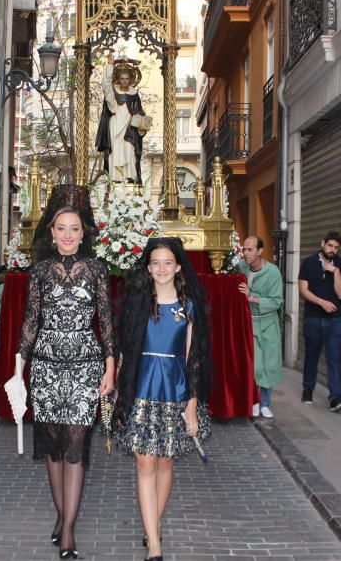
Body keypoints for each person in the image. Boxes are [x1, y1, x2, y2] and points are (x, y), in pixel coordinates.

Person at [15, 185, 115, 560]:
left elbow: (106, 322)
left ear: (83, 231)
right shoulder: (39, 271)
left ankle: (69, 529)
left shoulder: (98, 269)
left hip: (85, 367)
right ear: (52, 232)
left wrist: (110, 366)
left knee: (75, 447)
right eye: (61, 228)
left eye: (74, 228)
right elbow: (30, 321)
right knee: (55, 448)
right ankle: (61, 516)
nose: (68, 236)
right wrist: (17, 367)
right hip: (45, 367)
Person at [114, 237, 213, 561]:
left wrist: (192, 403)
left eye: (167, 262)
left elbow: (193, 356)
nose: (161, 269)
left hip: (175, 390)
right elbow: (125, 349)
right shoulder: (138, 303)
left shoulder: (189, 307)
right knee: (144, 461)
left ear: (179, 267)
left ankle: (152, 525)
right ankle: (154, 543)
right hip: (141, 388)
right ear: (148, 267)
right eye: (155, 262)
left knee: (165, 460)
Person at [298, 231, 341, 412]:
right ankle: (308, 389)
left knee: (334, 358)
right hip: (313, 318)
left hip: (335, 321)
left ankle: (335, 398)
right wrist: (321, 302)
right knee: (311, 355)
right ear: (323, 243)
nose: (332, 250)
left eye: (336, 247)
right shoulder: (308, 263)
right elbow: (303, 290)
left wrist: (335, 272)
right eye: (330, 246)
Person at [236, 236, 283, 419]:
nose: (245, 253)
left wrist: (251, 297)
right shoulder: (240, 267)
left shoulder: (273, 273)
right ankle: (254, 401)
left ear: (260, 251)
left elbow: (276, 301)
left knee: (268, 365)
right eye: (244, 249)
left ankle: (265, 403)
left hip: (268, 323)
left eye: (250, 250)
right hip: (250, 323)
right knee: (254, 365)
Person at [95, 52, 149, 184]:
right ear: (118, 79)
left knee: (129, 150)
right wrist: (109, 66)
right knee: (115, 152)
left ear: (131, 79)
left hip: (130, 129)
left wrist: (142, 123)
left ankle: (129, 177)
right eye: (122, 78)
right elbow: (106, 85)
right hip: (115, 126)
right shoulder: (112, 92)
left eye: (127, 78)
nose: (124, 81)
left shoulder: (134, 94)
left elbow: (139, 112)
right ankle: (115, 179)